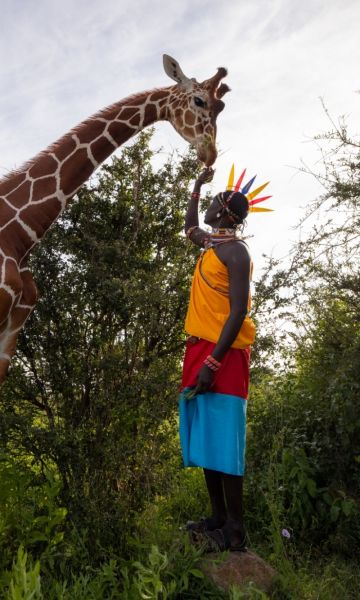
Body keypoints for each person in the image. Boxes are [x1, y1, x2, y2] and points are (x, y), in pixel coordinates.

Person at [179, 166, 256, 552]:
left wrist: (213, 362)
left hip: (223, 355)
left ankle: (237, 529)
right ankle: (217, 517)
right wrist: (195, 186)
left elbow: (238, 311)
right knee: (209, 436)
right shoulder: (212, 244)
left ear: (225, 212)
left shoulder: (236, 254)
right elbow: (188, 226)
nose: (207, 207)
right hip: (199, 348)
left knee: (225, 438)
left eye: (212, 201)